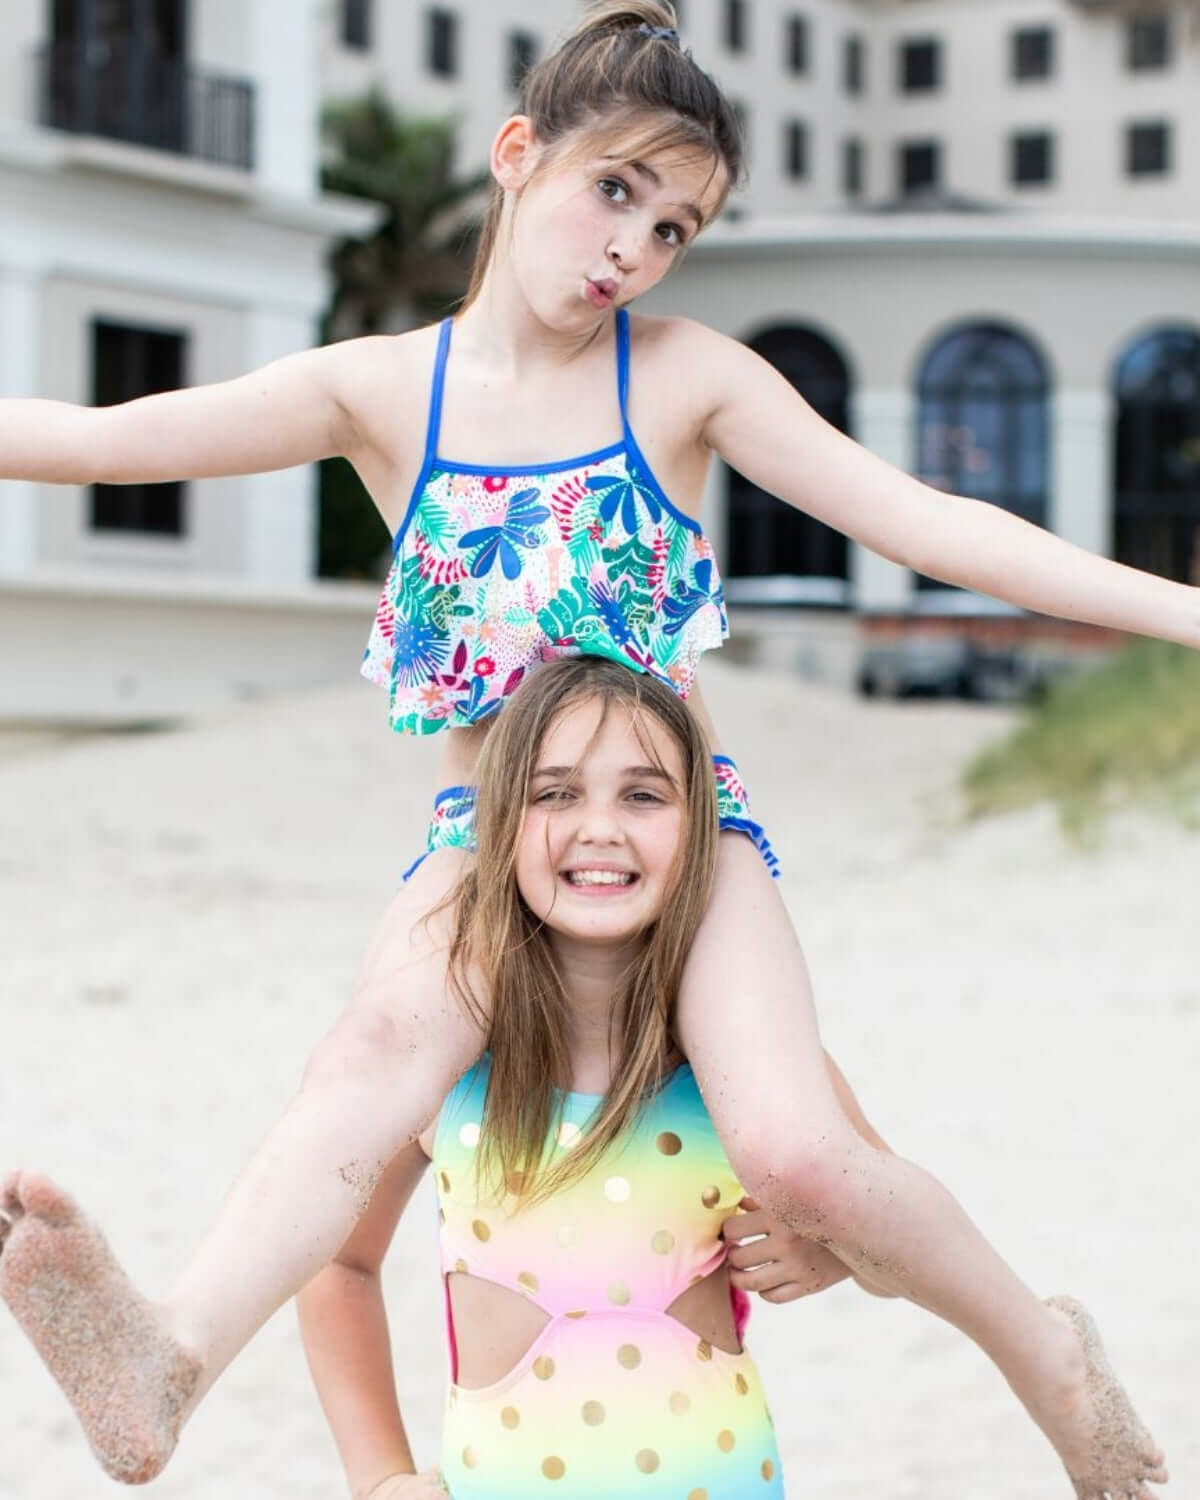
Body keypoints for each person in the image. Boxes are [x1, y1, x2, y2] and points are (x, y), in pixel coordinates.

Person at [0, 3, 1175, 1495]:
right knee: (368, 1055)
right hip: (487, 843)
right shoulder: (379, 391)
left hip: (688, 835)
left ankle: (1051, 1359)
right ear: (518, 156)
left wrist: (1181, 612)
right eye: (615, 189)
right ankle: (170, 1351)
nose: (636, 245)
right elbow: (108, 438)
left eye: (675, 226)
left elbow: (936, 524)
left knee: (805, 1154)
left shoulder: (683, 378)